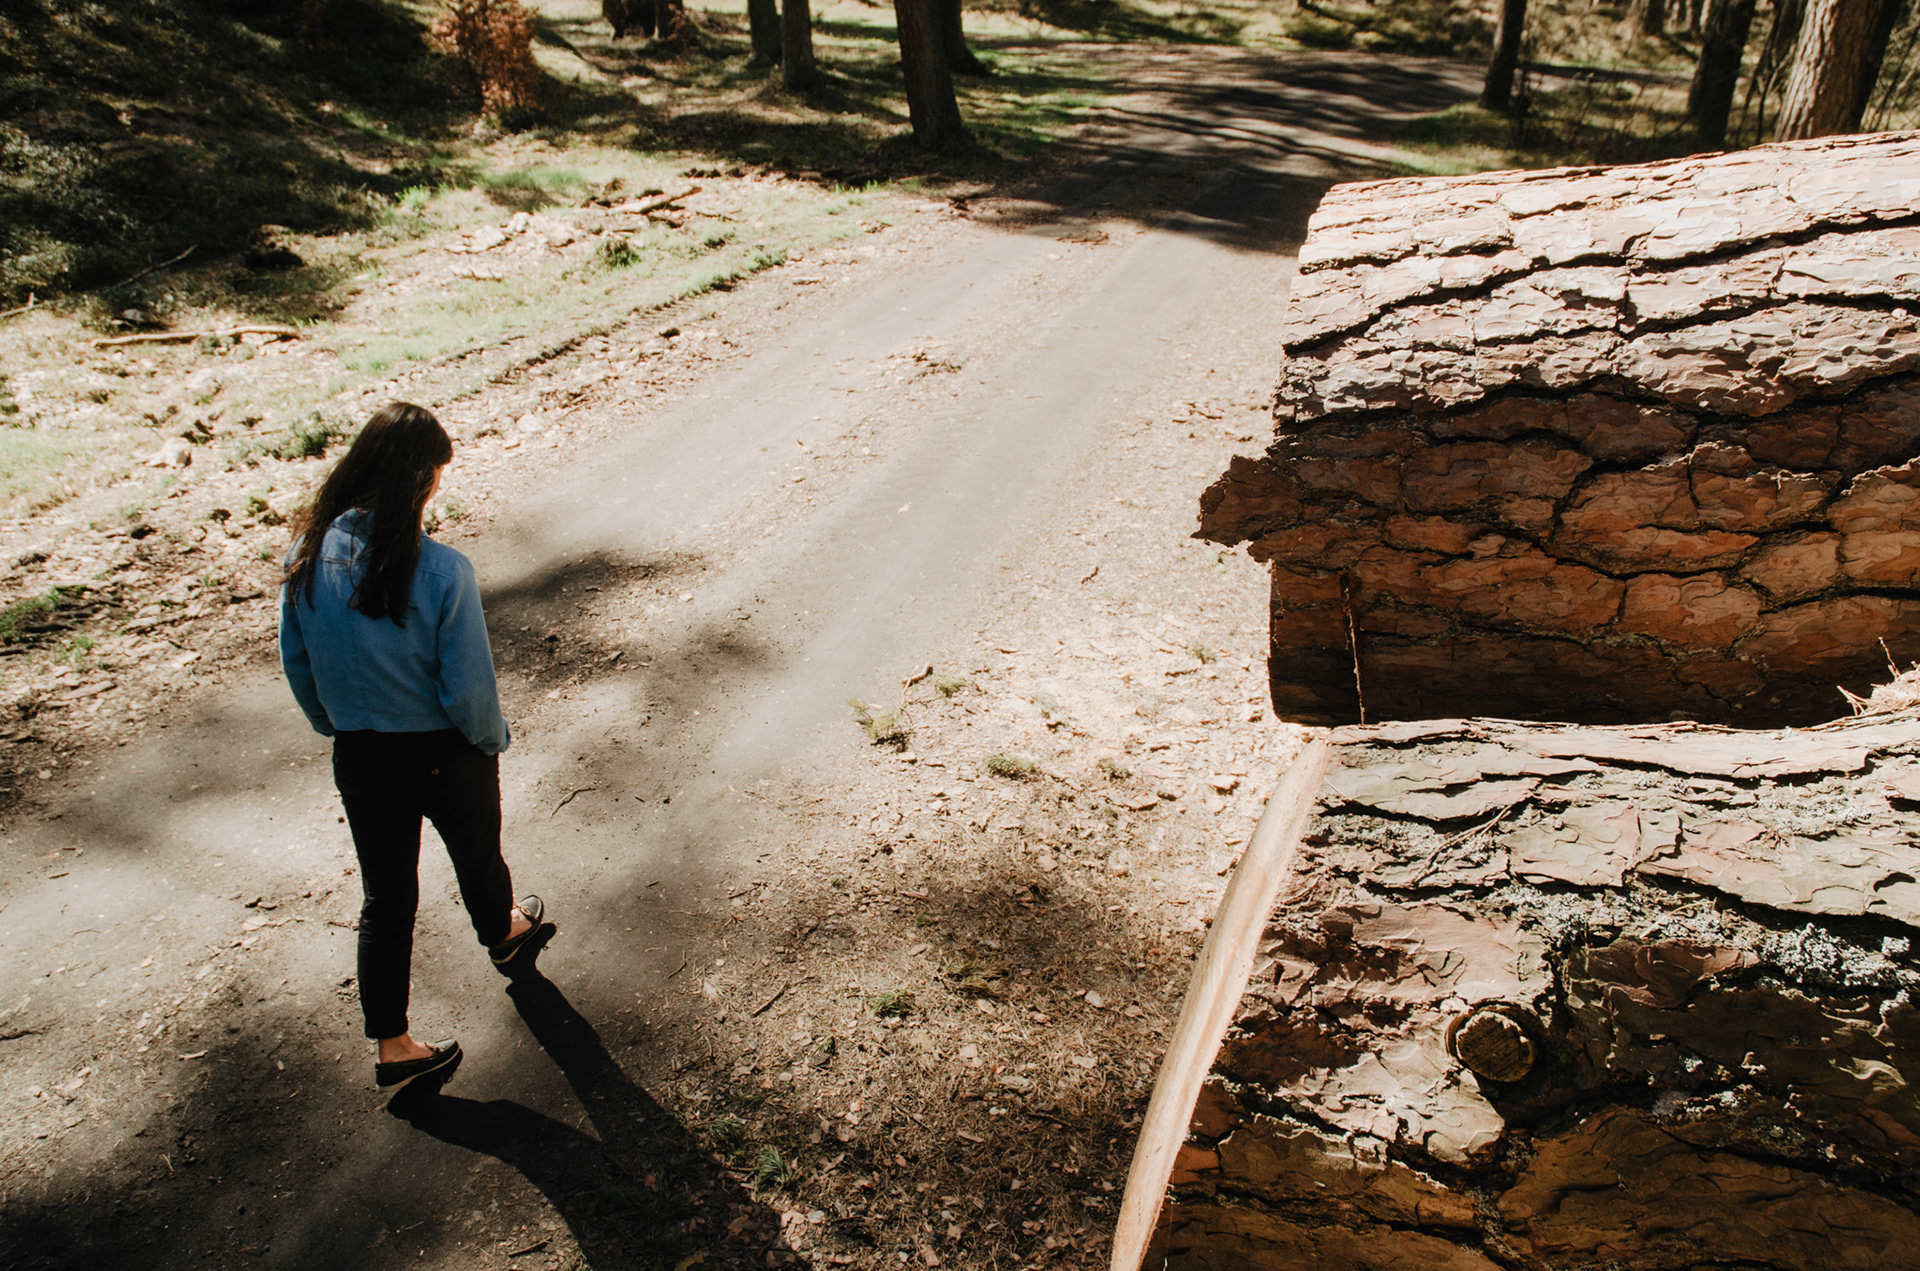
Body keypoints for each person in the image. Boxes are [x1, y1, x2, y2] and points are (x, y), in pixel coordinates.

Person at [279, 402, 548, 1091]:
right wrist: (489, 741)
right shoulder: (442, 570)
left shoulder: (305, 557)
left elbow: (298, 663)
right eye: (435, 475)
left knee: (387, 898)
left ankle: (393, 1044)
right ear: (418, 478)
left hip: (360, 754)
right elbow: (468, 688)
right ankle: (502, 932)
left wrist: (337, 725)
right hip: (442, 751)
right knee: (476, 849)